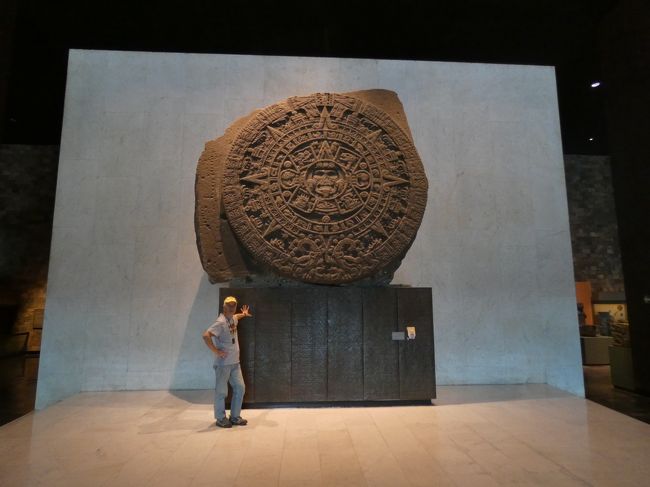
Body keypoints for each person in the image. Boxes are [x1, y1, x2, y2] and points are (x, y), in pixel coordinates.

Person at [202, 296, 252, 428]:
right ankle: (220, 418)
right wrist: (216, 351)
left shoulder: (232, 319)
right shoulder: (220, 322)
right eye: (229, 305)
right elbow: (206, 335)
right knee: (221, 392)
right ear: (224, 307)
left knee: (240, 388)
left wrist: (243, 314)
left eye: (233, 305)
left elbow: (236, 317)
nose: (231, 307)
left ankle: (235, 416)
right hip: (223, 365)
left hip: (235, 363)